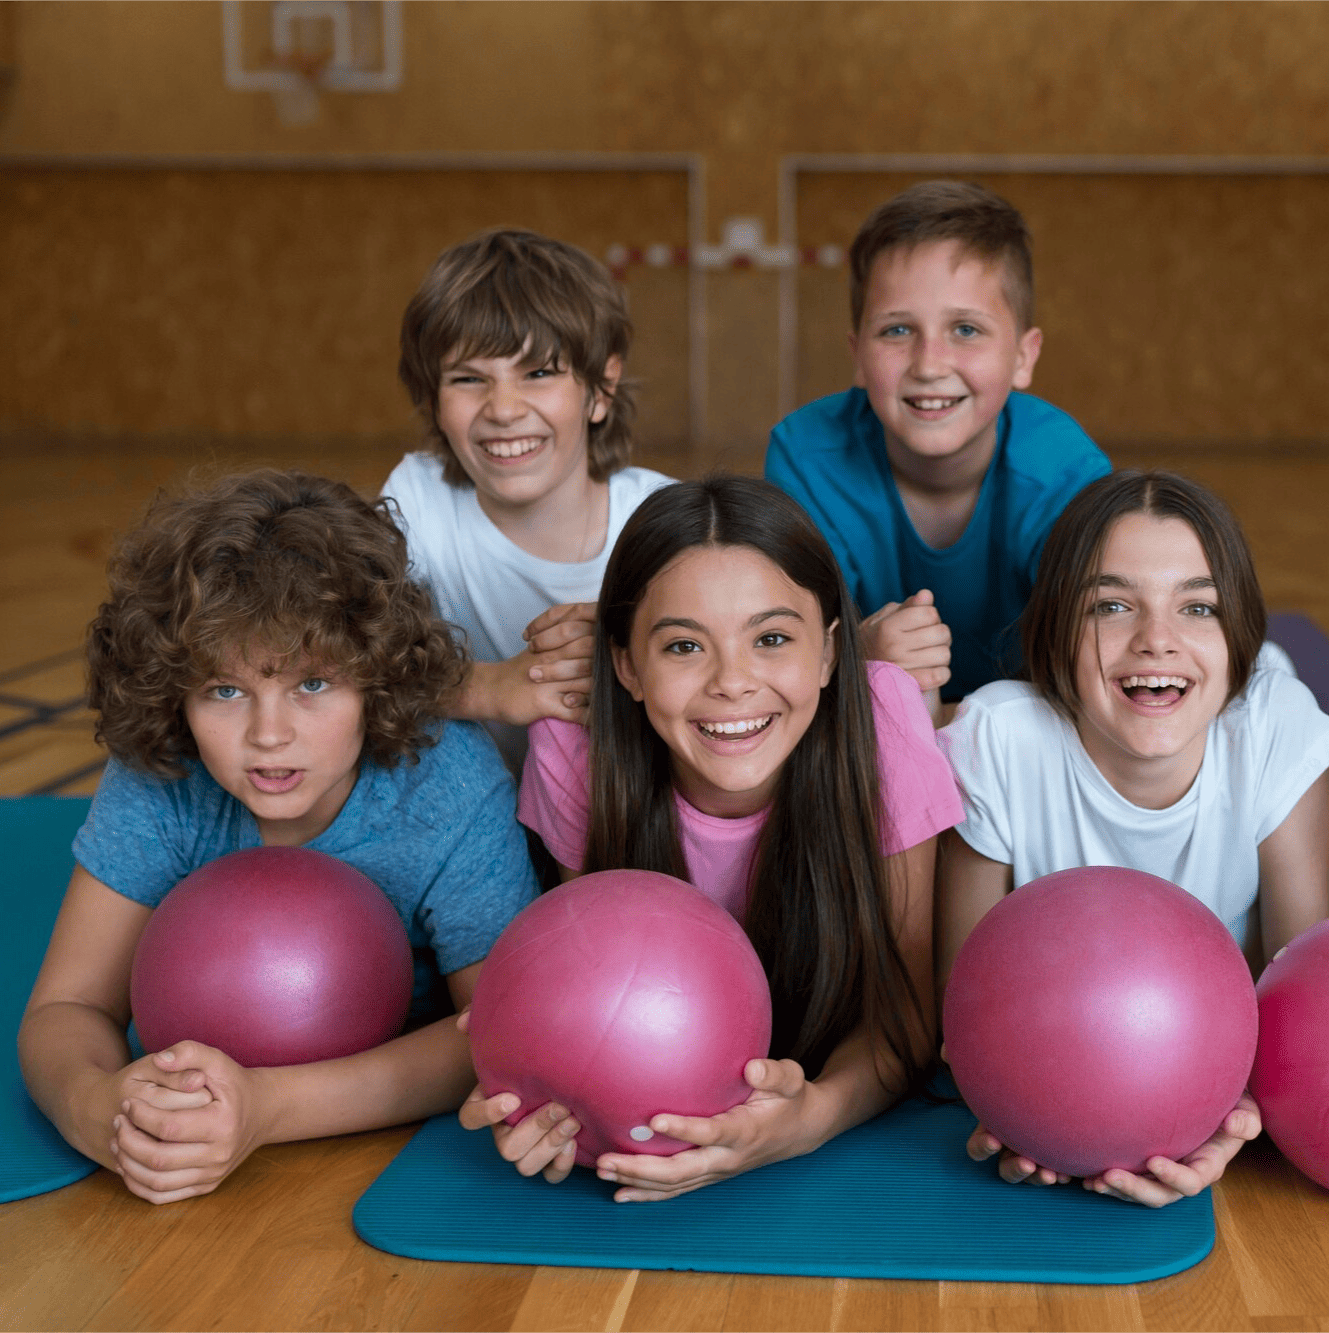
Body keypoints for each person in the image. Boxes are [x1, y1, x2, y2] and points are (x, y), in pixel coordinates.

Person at [18, 470, 539, 1204]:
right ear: (176, 697)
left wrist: (268, 1108)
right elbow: (66, 1007)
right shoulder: (162, 774)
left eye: (312, 685)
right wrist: (99, 1109)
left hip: (363, 1137)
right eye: (225, 691)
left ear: (375, 682)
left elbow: (491, 1032)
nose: (268, 735)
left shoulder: (446, 783)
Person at [459, 475, 964, 1201]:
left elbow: (904, 1012)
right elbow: (589, 989)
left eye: (771, 639)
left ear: (828, 654)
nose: (732, 681)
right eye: (683, 646)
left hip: (843, 1108)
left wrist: (809, 1119)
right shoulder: (575, 745)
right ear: (627, 666)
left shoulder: (882, 719)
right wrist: (537, 1088)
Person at [937, 469, 1329, 1206]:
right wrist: (1032, 1110)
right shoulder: (998, 740)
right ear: (1058, 629)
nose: (1155, 639)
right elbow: (962, 1013)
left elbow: (1303, 1010)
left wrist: (1227, 1125)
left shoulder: (1273, 728)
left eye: (1197, 607)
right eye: (1112, 606)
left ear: (1235, 632)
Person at [765, 180, 1110, 716]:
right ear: (858, 357)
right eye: (897, 330)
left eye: (966, 330)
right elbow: (783, 648)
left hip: (1029, 726)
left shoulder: (1065, 472)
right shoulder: (806, 457)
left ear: (1023, 357)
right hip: (868, 723)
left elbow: (1098, 659)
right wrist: (857, 656)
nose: (929, 364)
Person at [388, 227, 673, 770]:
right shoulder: (418, 501)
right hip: (471, 801)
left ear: (602, 389)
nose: (503, 409)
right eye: (468, 379)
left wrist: (635, 647)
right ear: (432, 399)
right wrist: (486, 686)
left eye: (539, 373)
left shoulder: (661, 519)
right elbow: (346, 658)